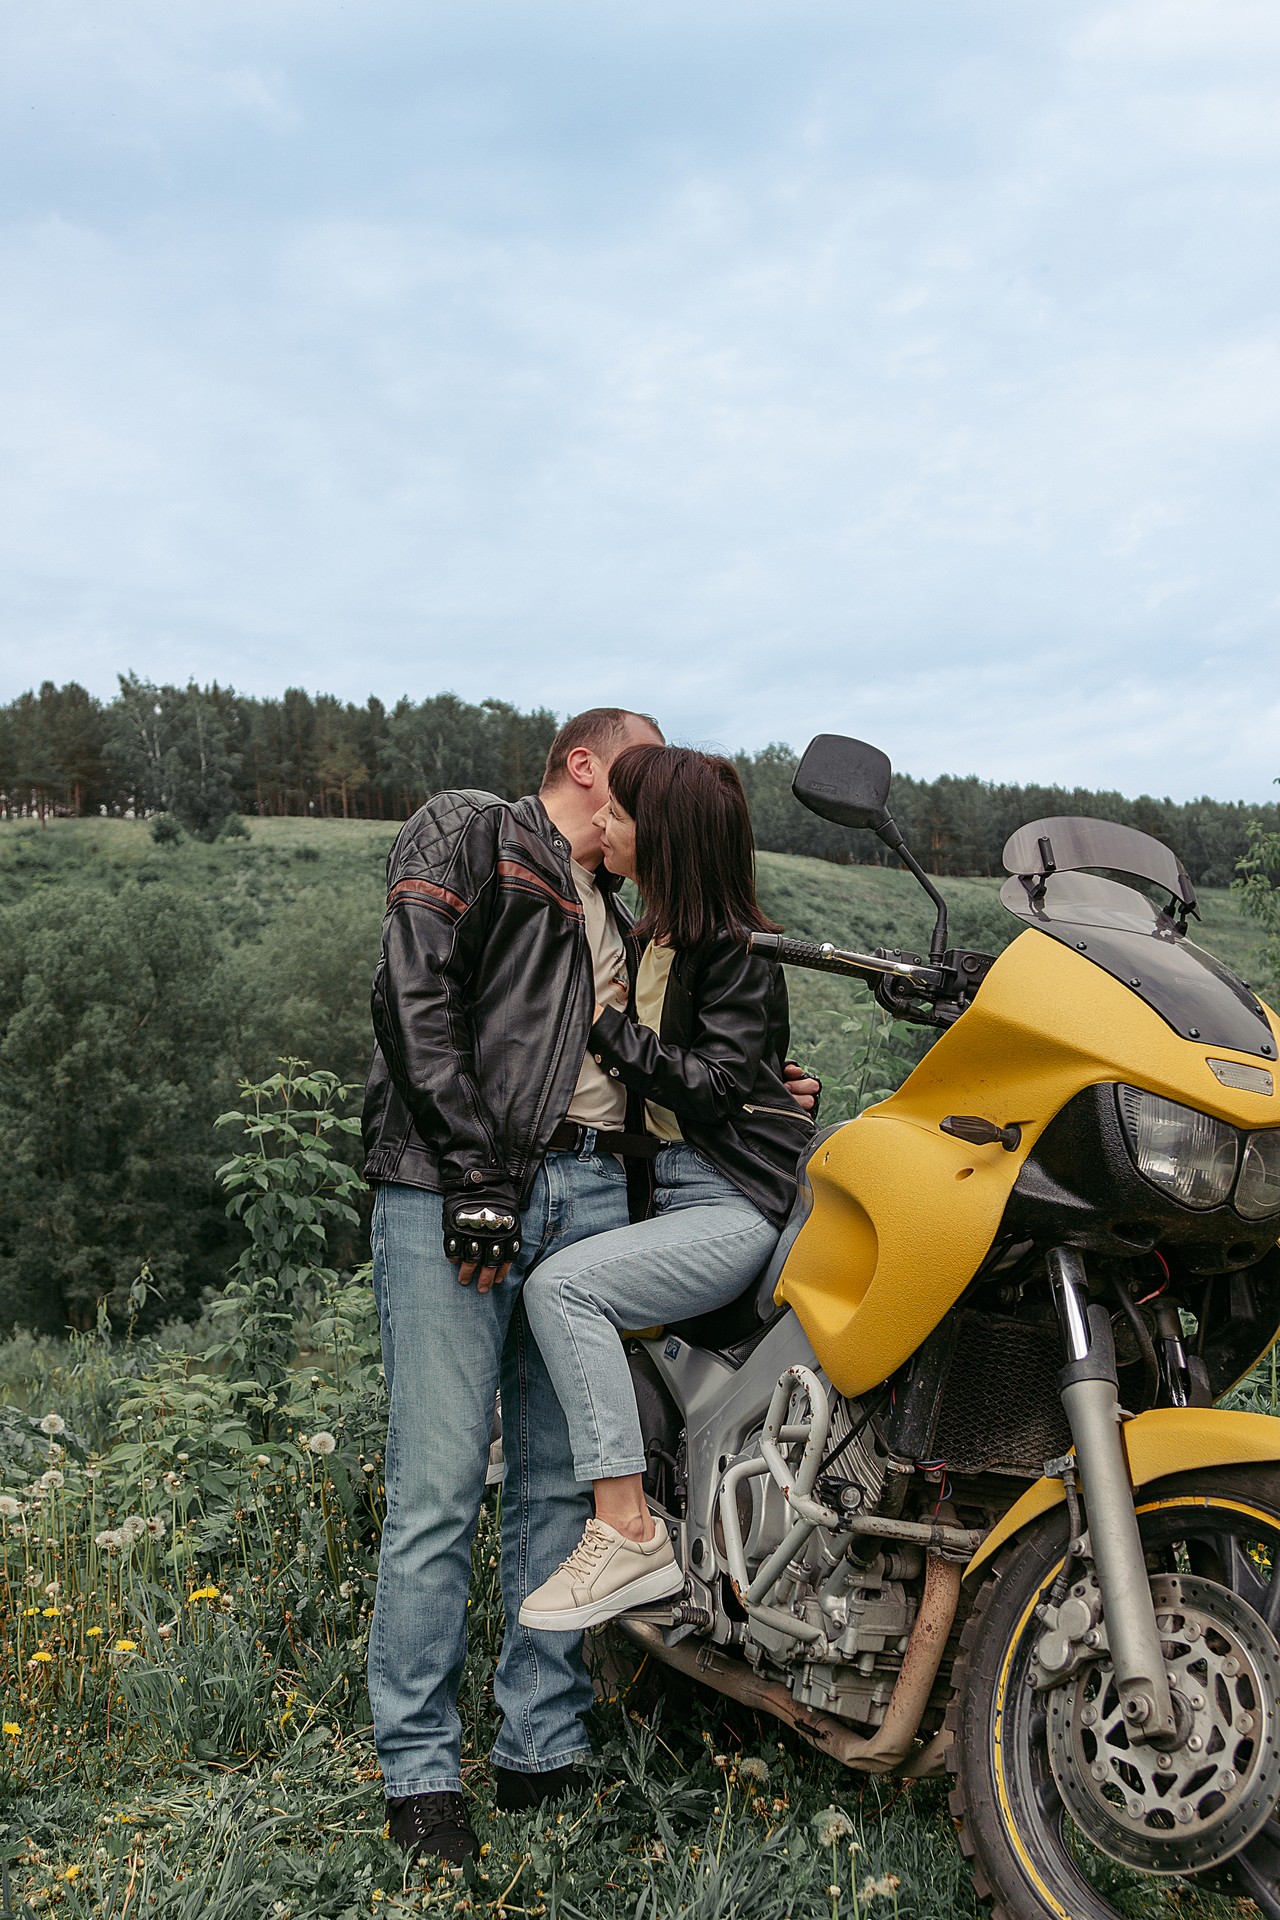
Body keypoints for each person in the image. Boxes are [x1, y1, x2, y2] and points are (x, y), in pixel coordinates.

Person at [361, 709, 819, 1868]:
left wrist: (762, 1092)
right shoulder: (474, 833)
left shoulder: (630, 906)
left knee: (557, 1488)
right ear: (585, 763)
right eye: (634, 766)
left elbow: (694, 1053)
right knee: (437, 1490)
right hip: (461, 1186)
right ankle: (420, 1773)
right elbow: (412, 1000)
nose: (646, 789)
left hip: (594, 1188)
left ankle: (539, 1744)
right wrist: (472, 1175)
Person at [519, 744, 816, 1631]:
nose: (602, 821)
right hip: (673, 1189)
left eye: (619, 813)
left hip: (729, 1203)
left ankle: (628, 1531)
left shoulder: (738, 951)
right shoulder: (651, 938)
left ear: (665, 836)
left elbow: (716, 1085)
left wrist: (599, 1024)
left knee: (563, 1288)